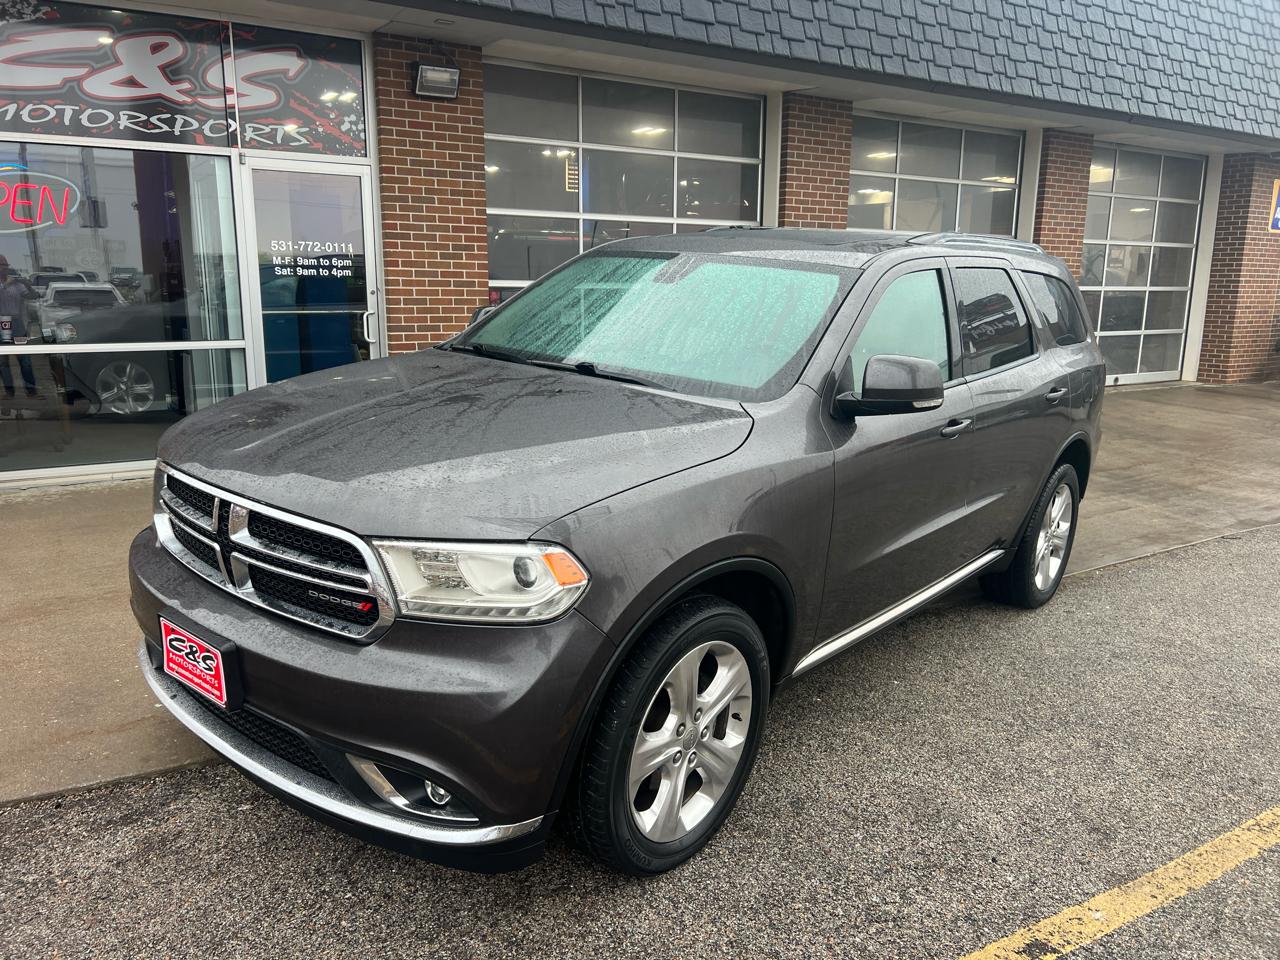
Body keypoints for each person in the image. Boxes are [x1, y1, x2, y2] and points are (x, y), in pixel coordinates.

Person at [0, 255, 38, 399]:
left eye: (5, 265)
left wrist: (27, 284)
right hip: (2, 323)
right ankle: (10, 392)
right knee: (3, 361)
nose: (4, 268)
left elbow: (33, 296)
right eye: (1, 265)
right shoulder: (8, 284)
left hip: (16, 323)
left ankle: (31, 390)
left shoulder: (17, 284)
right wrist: (7, 284)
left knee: (24, 359)